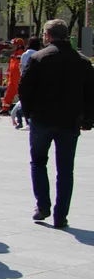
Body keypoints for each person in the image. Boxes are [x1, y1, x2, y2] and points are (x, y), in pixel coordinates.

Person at [18, 19, 94, 229]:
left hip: (42, 120)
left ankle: (42, 206)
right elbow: (90, 94)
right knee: (65, 169)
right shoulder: (83, 62)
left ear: (47, 35)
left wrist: (29, 112)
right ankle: (61, 216)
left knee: (38, 162)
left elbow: (24, 88)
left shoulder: (38, 58)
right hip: (70, 122)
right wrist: (88, 119)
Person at [11, 37, 42, 129]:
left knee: (23, 103)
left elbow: (23, 69)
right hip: (37, 82)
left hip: (25, 81)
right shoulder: (40, 54)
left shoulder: (25, 54)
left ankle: (24, 122)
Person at [0, 37, 24, 112]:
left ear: (19, 45)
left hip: (18, 78)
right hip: (11, 79)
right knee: (8, 95)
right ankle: (5, 109)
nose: (12, 46)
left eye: (14, 45)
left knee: (21, 95)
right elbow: (10, 68)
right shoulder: (13, 55)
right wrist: (7, 78)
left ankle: (24, 110)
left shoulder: (23, 55)